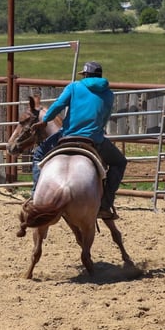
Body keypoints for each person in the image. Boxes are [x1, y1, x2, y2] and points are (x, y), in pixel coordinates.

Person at [30, 61, 127, 220]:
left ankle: (35, 196)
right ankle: (105, 203)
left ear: (86, 75)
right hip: (94, 140)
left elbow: (58, 105)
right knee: (119, 162)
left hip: (67, 136)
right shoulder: (109, 94)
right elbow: (104, 118)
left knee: (39, 154)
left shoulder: (74, 87)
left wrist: (45, 120)